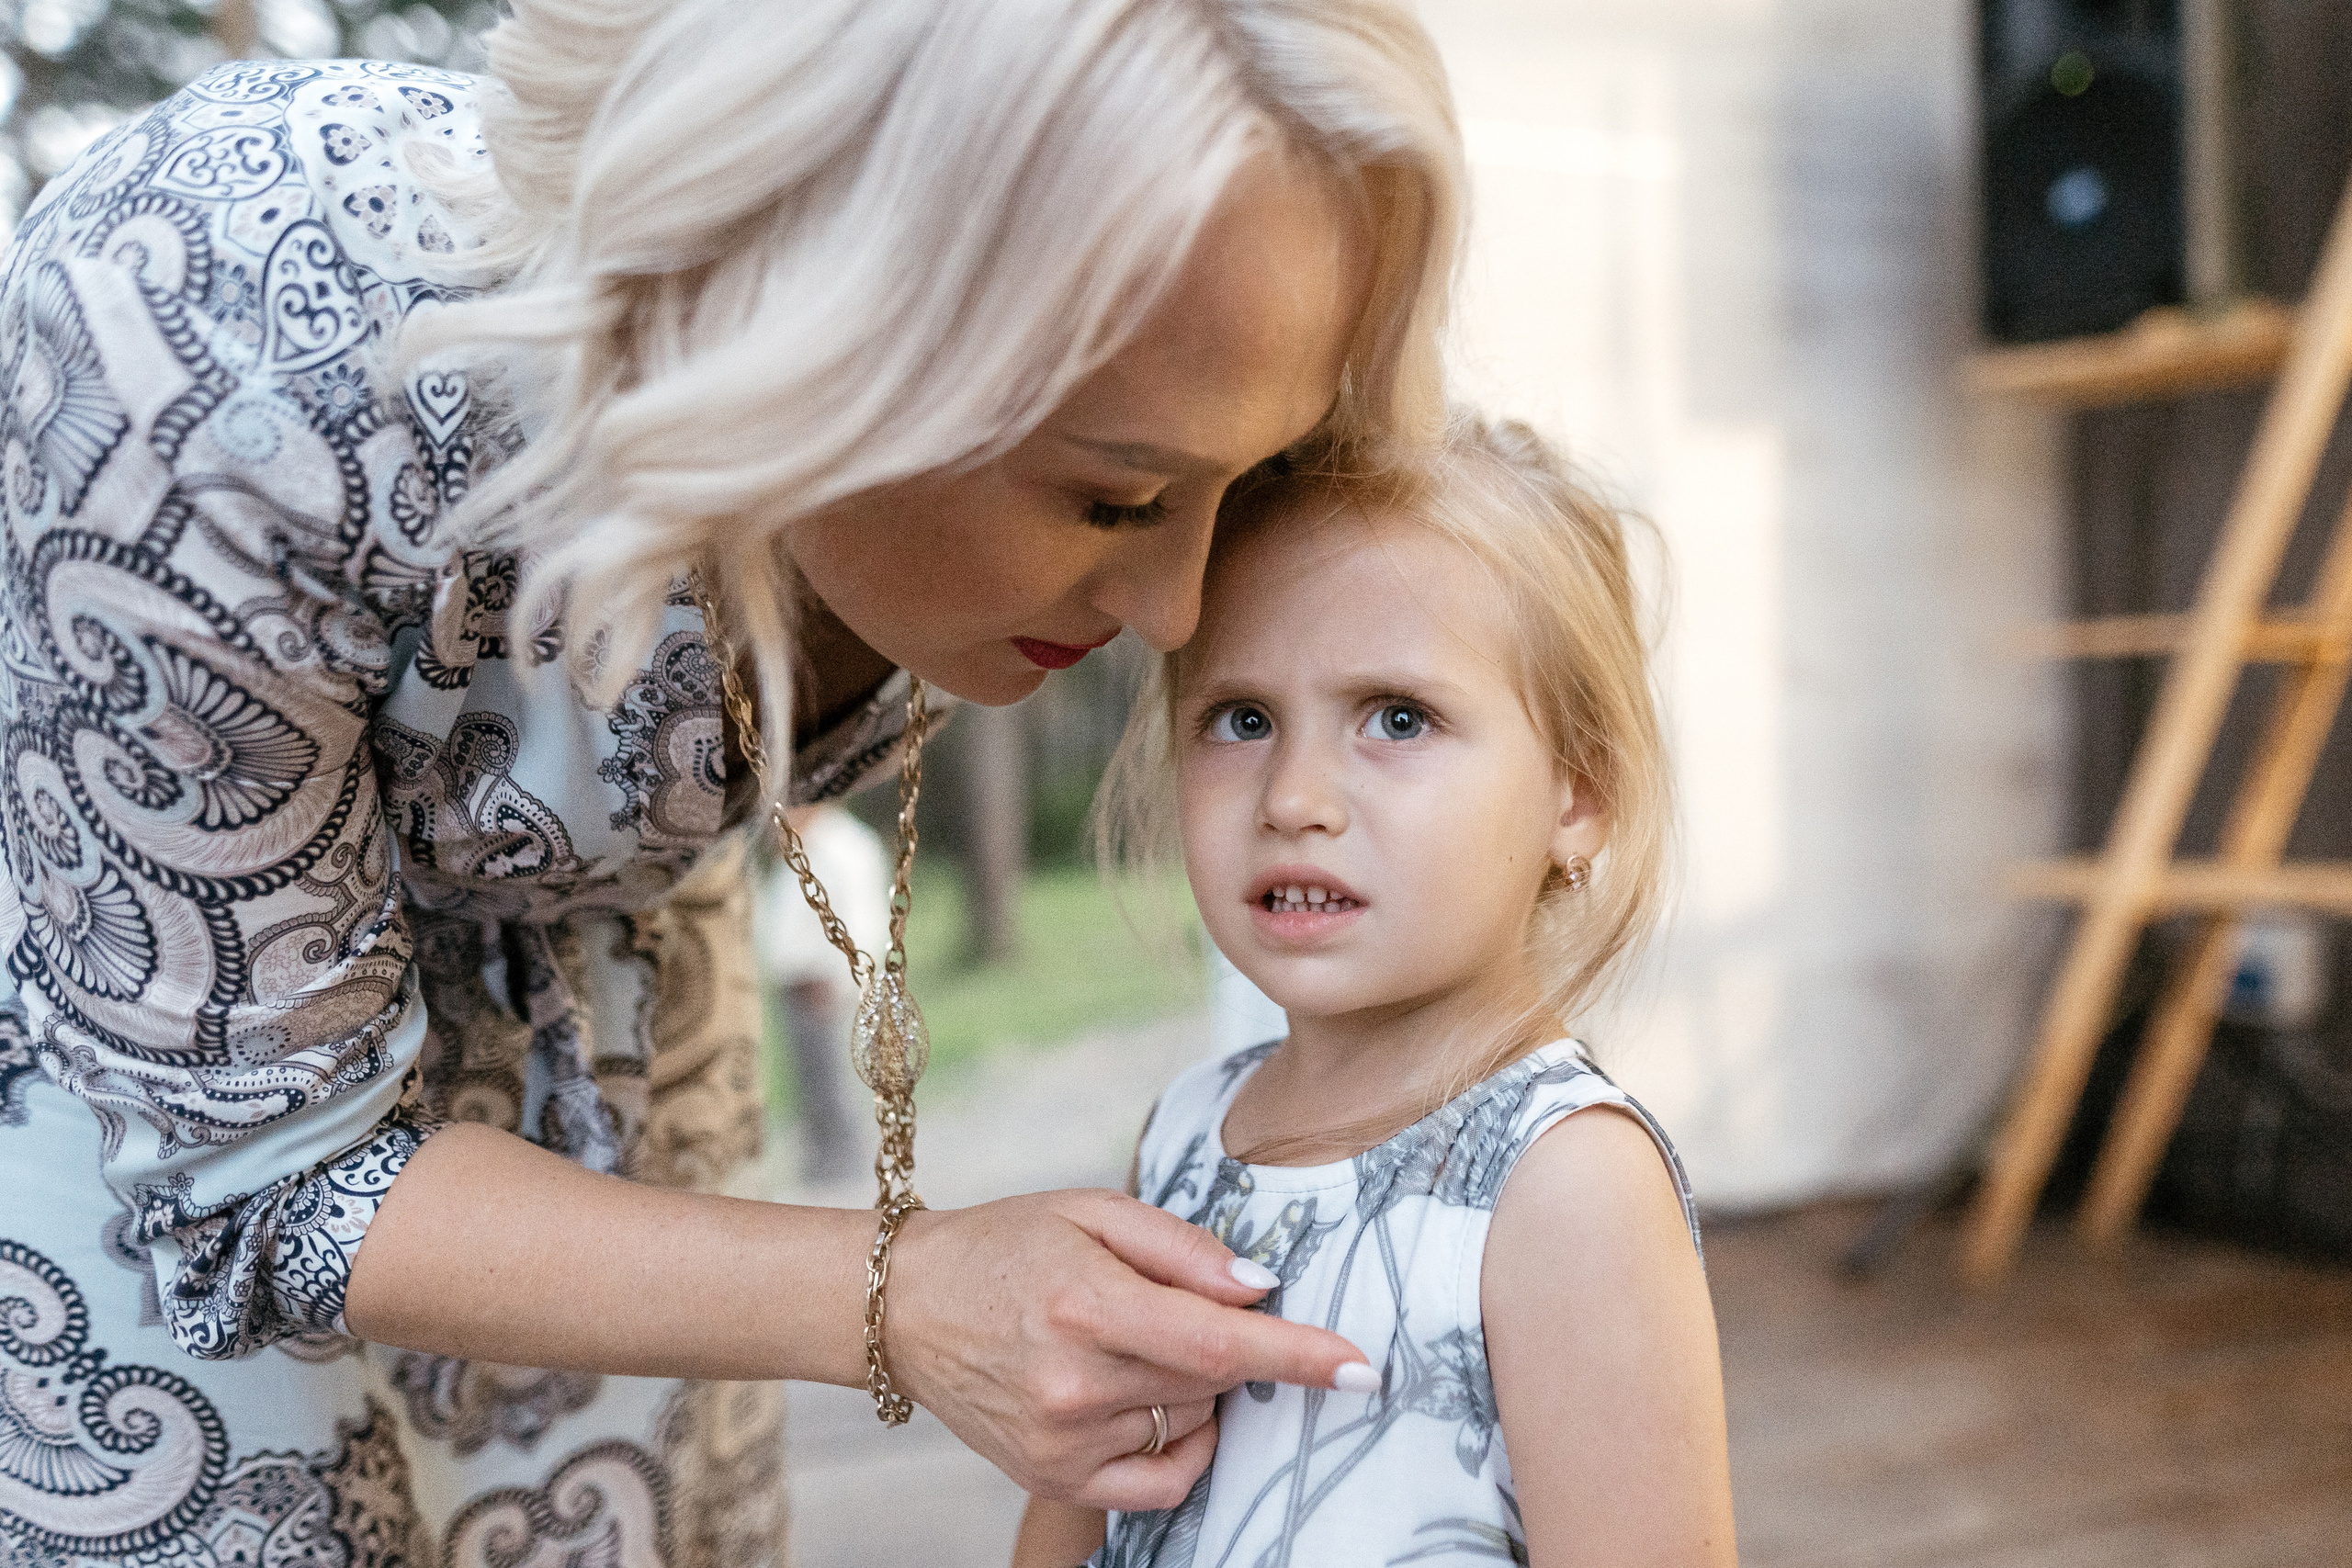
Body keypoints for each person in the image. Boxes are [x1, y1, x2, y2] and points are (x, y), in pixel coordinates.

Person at [0, 1, 1465, 1562]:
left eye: (1250, 478)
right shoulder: (196, 331)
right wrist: (899, 1293)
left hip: (624, 1050)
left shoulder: (1092, 377)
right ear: (807, 324)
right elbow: (256, 1173)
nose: (1178, 610)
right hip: (154, 1105)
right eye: (1115, 500)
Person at [1013, 417, 1739, 1566]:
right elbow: (1072, 1513)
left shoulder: (1564, 1186)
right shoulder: (1185, 1130)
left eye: (1398, 718)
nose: (1293, 797)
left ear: (1577, 793)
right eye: (1242, 720)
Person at [756, 805, 893, 1182]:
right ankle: (822, 1164)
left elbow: (861, 920)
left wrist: (838, 978)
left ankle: (846, 1171)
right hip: (796, 984)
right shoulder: (802, 846)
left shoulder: (843, 846)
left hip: (824, 984)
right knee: (810, 1083)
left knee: (835, 1083)